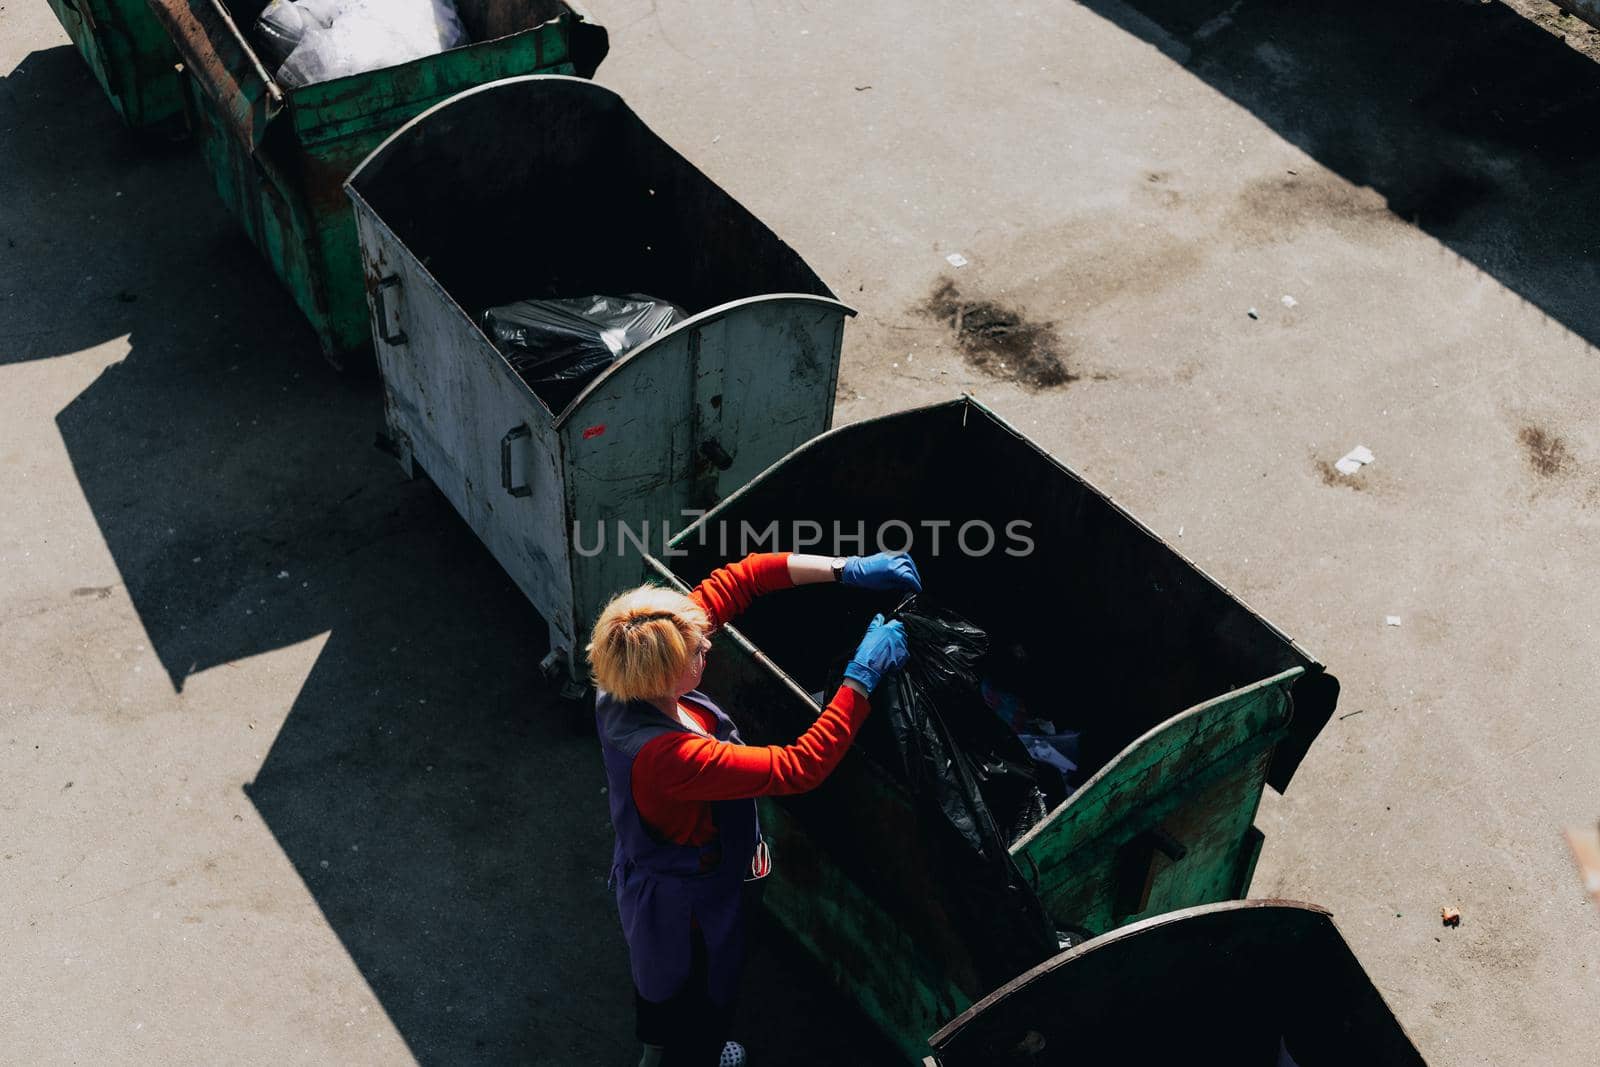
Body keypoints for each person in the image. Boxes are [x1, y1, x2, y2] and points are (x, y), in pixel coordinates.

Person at [588, 550, 922, 1067]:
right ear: (669, 672)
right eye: (700, 652)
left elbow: (743, 578)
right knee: (698, 989)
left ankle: (656, 1054)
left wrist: (845, 568)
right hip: (687, 901)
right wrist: (861, 677)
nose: (708, 649)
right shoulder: (671, 757)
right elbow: (800, 766)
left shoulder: (629, 669)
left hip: (666, 875)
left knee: (661, 988)